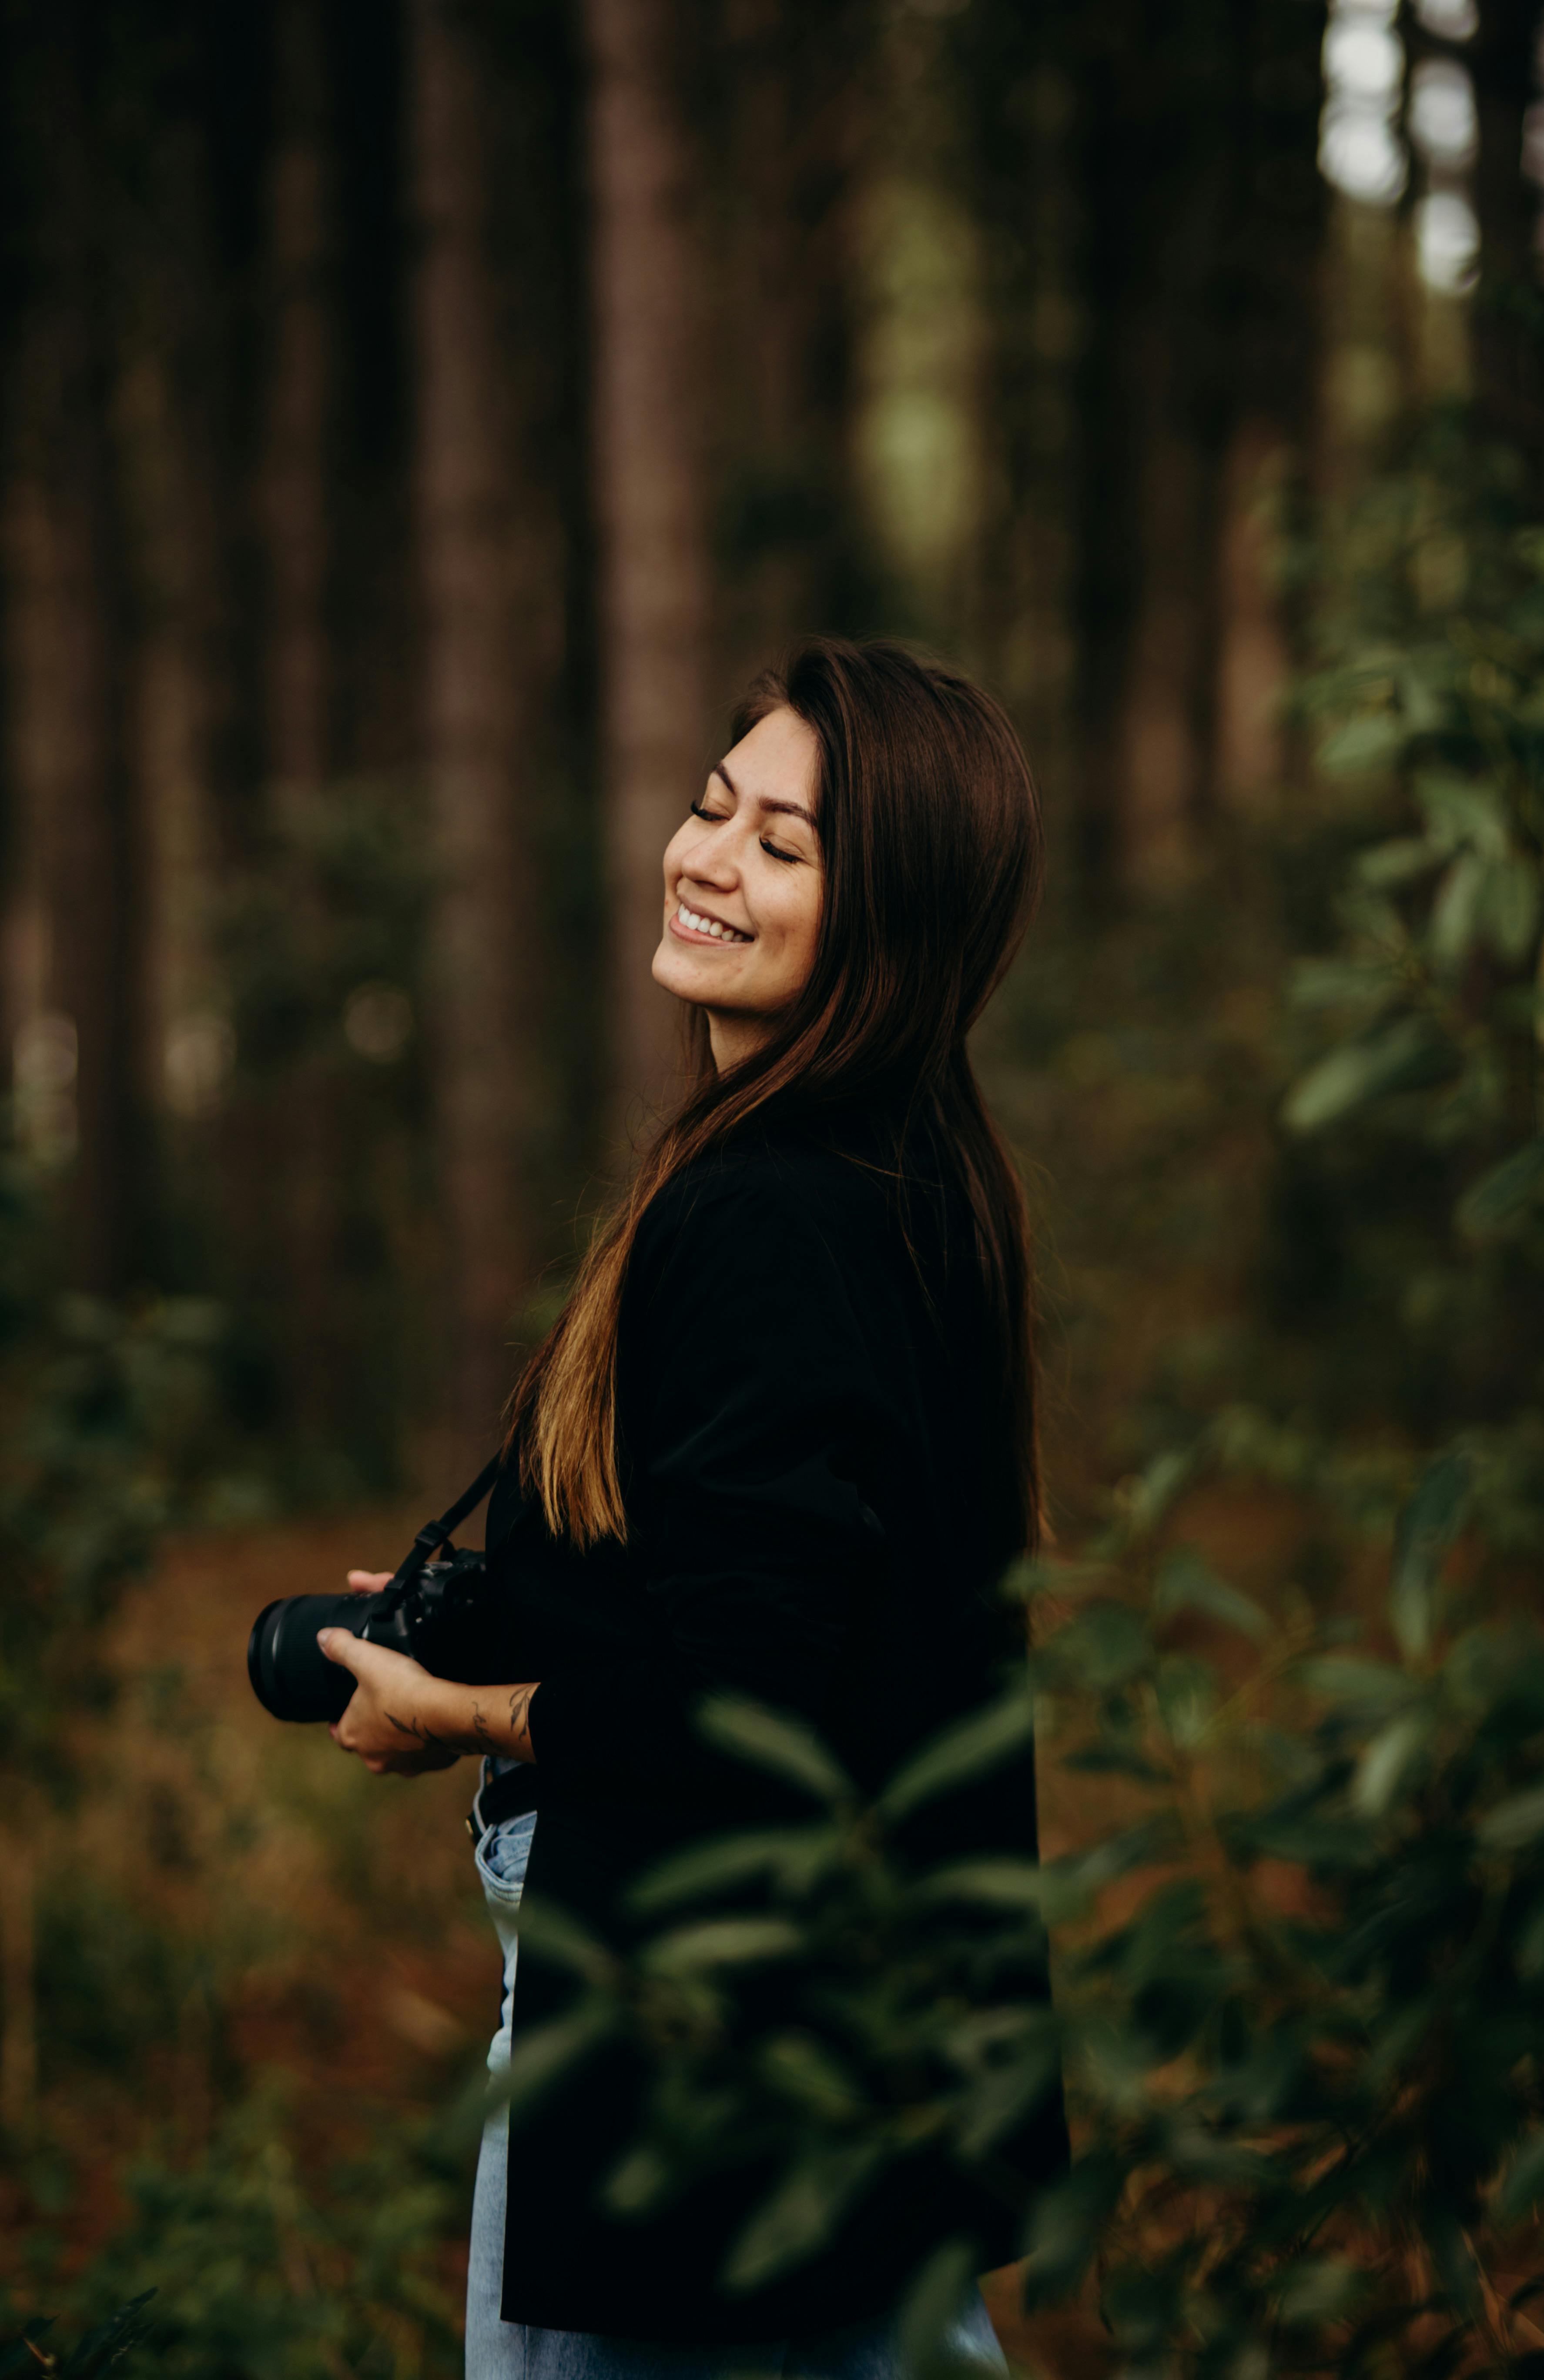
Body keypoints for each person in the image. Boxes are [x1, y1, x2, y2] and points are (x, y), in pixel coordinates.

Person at [318, 638, 1066, 2376]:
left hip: (704, 2078)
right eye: (713, 804)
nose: (708, 856)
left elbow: (745, 1706)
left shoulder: (770, 1215)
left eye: (785, 846)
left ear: (894, 918)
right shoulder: (915, 1176)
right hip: (851, 2072)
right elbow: (806, 1584)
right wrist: (497, 1614)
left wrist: (471, 1713)